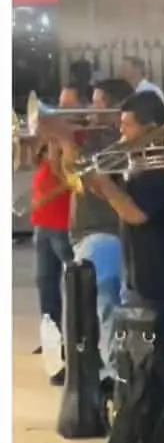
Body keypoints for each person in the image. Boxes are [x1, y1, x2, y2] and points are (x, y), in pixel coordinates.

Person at [85, 91, 164, 437]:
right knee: (153, 346)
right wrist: (99, 185)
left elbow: (136, 213)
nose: (122, 135)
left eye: (127, 126)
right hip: (141, 268)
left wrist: (104, 185)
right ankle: (154, 406)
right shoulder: (141, 160)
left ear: (150, 128)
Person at [46, 78, 134, 385]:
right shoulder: (94, 137)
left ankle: (113, 377)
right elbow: (69, 178)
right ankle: (100, 373)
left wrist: (66, 141)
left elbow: (91, 180)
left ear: (116, 107)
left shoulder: (117, 142)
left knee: (105, 307)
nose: (91, 110)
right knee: (89, 309)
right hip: (86, 233)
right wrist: (58, 144)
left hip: (105, 234)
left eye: (97, 103)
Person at [28, 86, 82, 354]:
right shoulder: (50, 139)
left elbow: (73, 181)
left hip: (61, 222)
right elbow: (24, 163)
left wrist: (56, 153)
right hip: (42, 223)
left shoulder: (76, 139)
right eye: (60, 104)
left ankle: (75, 340)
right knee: (45, 281)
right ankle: (52, 340)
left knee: (75, 284)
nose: (61, 110)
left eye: (68, 104)